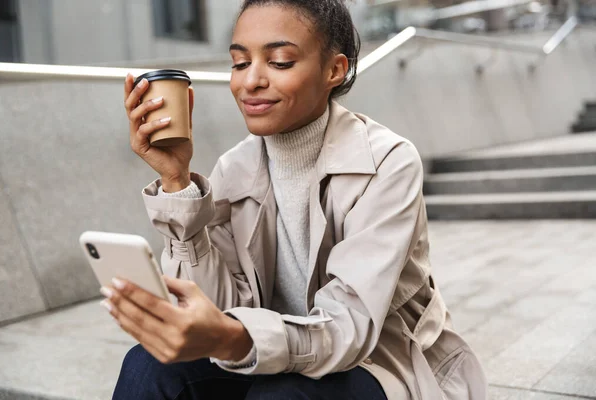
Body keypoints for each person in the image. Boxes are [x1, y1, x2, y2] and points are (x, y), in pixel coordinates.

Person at [103, 0, 488, 399]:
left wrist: (234, 339)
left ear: (334, 70)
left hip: (376, 364)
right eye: (238, 63)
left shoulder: (387, 163)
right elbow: (220, 307)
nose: (250, 81)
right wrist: (175, 179)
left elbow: (348, 330)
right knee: (146, 366)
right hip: (263, 352)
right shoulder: (234, 168)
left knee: (281, 396)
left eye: (280, 61)